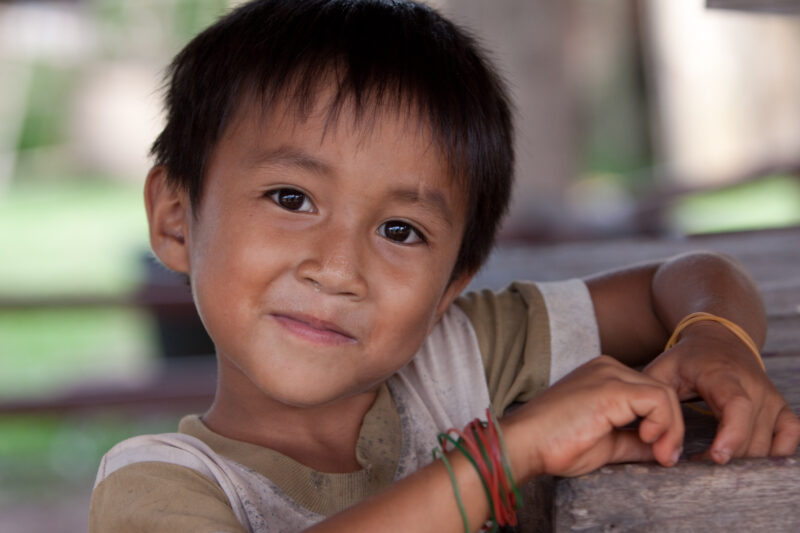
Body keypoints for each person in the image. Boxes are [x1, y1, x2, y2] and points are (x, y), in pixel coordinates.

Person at [88, 1, 800, 531]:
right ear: (176, 216)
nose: (338, 267)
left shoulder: (457, 360)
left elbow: (684, 277)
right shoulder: (157, 484)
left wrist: (716, 339)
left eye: (401, 230)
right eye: (291, 197)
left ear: (449, 284)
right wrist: (502, 460)